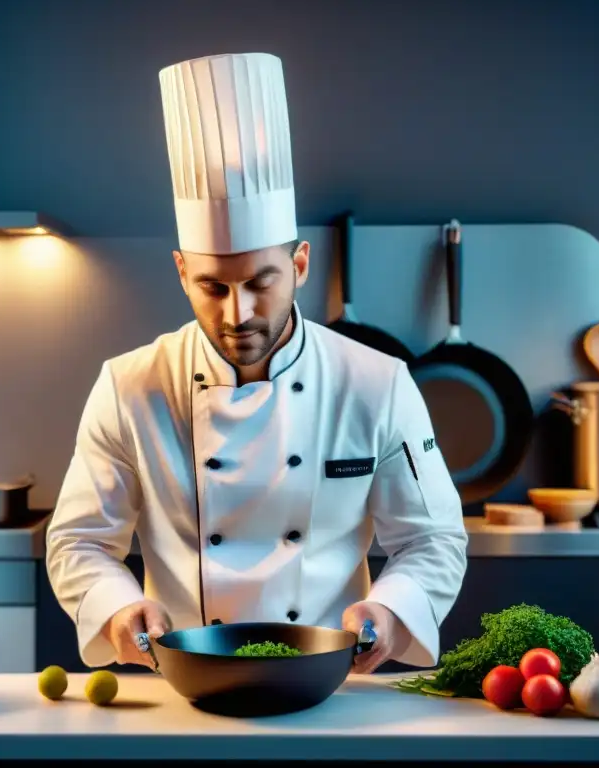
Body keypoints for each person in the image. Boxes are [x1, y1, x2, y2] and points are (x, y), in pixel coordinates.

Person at [46, 52, 468, 675]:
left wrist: (388, 611)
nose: (238, 312)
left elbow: (433, 538)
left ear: (299, 265)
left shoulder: (377, 384)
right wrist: (116, 606)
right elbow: (79, 541)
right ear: (182, 271)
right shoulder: (129, 386)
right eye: (213, 286)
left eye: (260, 282)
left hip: (329, 685)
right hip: (183, 685)